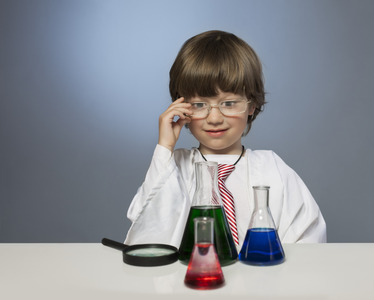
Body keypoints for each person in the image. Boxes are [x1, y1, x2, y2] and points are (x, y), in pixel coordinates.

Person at [124, 30, 326, 249]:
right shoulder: (172, 168)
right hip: (189, 281)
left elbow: (308, 237)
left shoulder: (273, 169)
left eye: (229, 103)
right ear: (181, 107)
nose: (214, 118)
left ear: (251, 105)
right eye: (199, 105)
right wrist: (165, 148)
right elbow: (148, 232)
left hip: (261, 281)